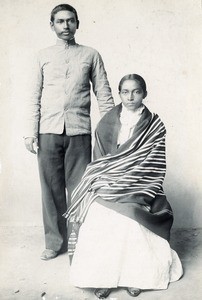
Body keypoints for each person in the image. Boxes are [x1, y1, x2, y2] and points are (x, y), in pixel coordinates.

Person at [64, 74, 183, 298]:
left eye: (136, 91)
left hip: (140, 184)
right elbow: (100, 161)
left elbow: (153, 164)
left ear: (144, 94)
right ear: (119, 94)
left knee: (128, 214)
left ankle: (136, 277)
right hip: (110, 180)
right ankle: (102, 278)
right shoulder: (108, 121)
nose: (130, 97)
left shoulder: (155, 125)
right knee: (98, 210)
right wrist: (110, 181)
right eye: (125, 92)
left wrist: (128, 181)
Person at [24, 4, 114, 261]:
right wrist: (30, 132)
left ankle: (79, 242)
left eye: (70, 21)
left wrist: (109, 131)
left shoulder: (91, 54)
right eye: (60, 21)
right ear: (51, 25)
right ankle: (54, 242)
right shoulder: (41, 56)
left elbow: (104, 93)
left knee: (80, 190)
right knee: (50, 189)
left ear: (77, 23)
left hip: (79, 132)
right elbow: (34, 96)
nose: (66, 26)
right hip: (48, 132)